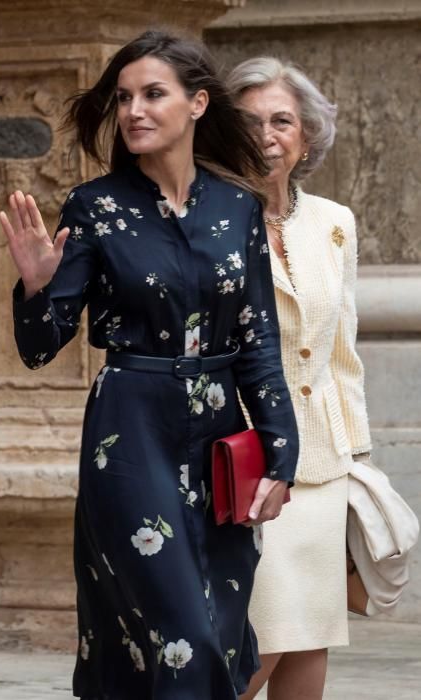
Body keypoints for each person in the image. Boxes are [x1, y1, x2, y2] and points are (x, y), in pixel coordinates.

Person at [0, 31, 299, 699]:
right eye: (124, 98)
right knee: (180, 636)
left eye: (151, 94)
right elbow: (40, 347)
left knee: (220, 638)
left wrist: (281, 458)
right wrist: (34, 286)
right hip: (128, 432)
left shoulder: (237, 208)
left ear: (196, 104)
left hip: (221, 435)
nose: (133, 109)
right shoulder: (94, 207)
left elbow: (258, 343)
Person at [226, 59, 373, 700]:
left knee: (310, 638)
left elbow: (345, 350)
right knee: (261, 640)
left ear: (305, 136)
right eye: (250, 121)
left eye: (281, 120)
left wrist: (358, 460)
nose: (267, 134)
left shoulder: (335, 222)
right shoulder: (210, 222)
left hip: (324, 464)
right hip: (244, 461)